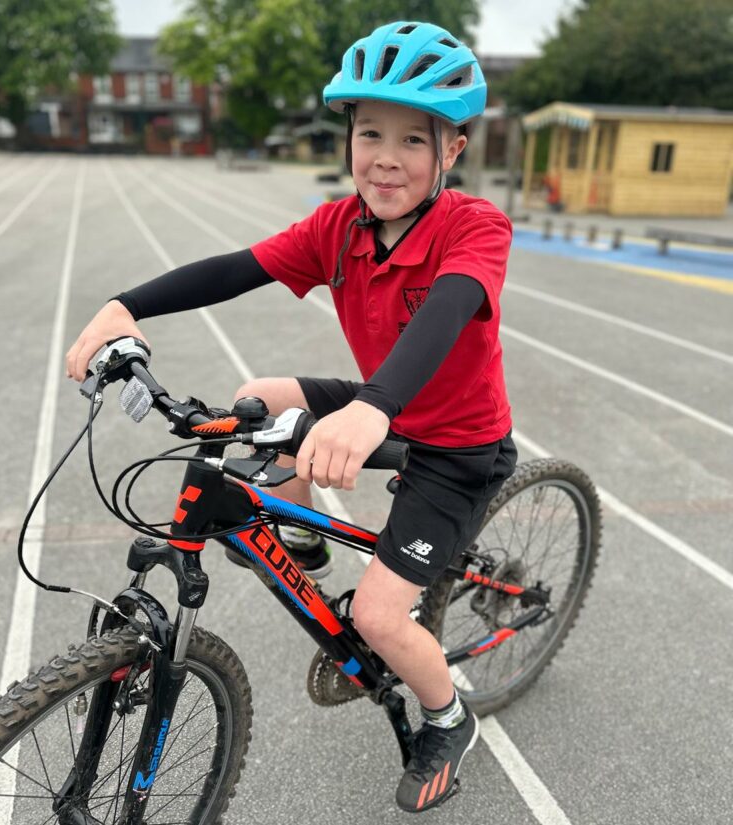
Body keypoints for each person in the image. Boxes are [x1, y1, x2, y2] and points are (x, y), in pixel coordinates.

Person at [66, 20, 517, 813]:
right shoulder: (338, 227)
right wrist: (123, 306)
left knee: (380, 615)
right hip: (382, 408)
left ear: (452, 152)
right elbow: (237, 269)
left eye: (414, 140)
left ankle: (449, 716)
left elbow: (448, 310)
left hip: (456, 443)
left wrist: (374, 409)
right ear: (346, 134)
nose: (384, 155)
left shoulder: (474, 226)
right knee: (263, 395)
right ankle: (303, 535)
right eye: (369, 131)